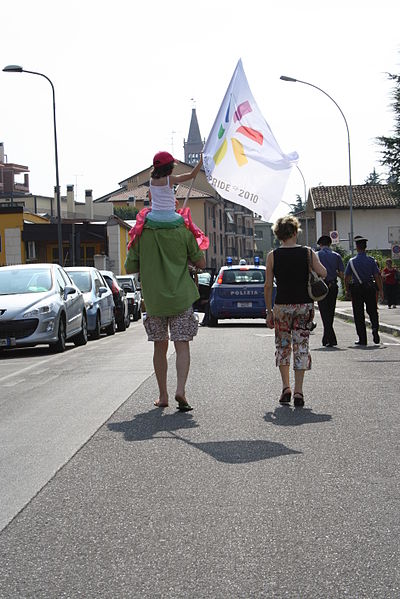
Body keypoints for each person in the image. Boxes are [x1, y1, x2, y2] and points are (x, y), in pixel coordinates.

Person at [124, 151, 206, 412]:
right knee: (182, 346)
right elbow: (200, 263)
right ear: (170, 168)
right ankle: (181, 389)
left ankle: (163, 396)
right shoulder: (183, 230)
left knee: (160, 347)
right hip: (181, 297)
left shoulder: (142, 232)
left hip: (155, 299)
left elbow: (131, 265)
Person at [264, 216, 327, 407]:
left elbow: (268, 285)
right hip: (303, 306)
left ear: (279, 235)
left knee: (283, 346)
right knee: (301, 345)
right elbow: (323, 273)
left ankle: (286, 388)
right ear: (294, 232)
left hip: (282, 306)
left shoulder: (272, 255)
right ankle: (299, 391)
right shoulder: (308, 253)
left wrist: (268, 311)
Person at [344, 235, 384, 346]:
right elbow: (377, 276)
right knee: (372, 310)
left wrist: (347, 290)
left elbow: (347, 277)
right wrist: (380, 290)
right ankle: (375, 328)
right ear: (365, 247)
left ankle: (362, 339)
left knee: (358, 313)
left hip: (357, 289)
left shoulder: (352, 261)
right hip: (370, 288)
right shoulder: (371, 261)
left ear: (357, 247)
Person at [316, 235, 345, 347]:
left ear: (321, 244)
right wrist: (334, 272)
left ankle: (328, 337)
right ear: (330, 244)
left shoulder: (317, 255)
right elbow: (341, 274)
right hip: (333, 286)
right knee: (331, 311)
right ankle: (328, 337)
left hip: (321, 286)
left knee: (324, 312)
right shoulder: (336, 256)